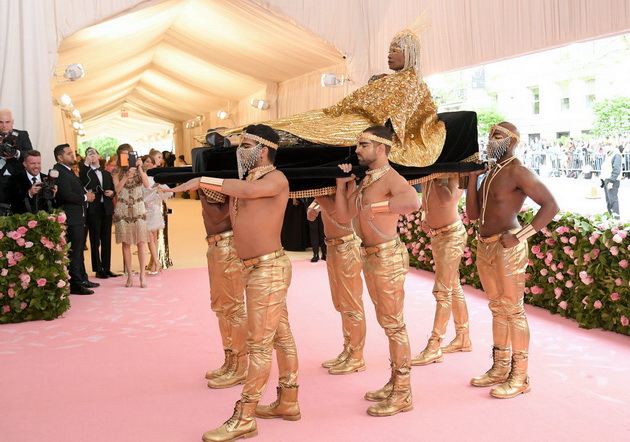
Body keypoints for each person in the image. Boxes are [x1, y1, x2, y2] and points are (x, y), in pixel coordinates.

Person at [165, 124, 300, 441]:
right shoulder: (248, 180)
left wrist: (202, 179)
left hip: (269, 269)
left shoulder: (275, 179)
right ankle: (288, 402)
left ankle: (245, 415)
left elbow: (250, 194)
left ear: (263, 149)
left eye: (246, 145)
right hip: (253, 268)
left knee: (260, 346)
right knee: (281, 337)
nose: (240, 150)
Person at [211, 26, 445, 169]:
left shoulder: (412, 83)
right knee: (303, 121)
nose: (389, 54)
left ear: (411, 54)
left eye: (395, 50)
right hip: (346, 115)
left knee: (310, 133)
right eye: (389, 49)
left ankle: (234, 141)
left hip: (364, 125)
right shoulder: (391, 79)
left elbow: (402, 120)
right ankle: (233, 134)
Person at [465, 122, 559, 399]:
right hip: (485, 246)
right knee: (497, 308)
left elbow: (551, 205)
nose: (490, 140)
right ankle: (500, 367)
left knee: (513, 310)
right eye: (490, 134)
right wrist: (472, 178)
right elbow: (472, 214)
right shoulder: (492, 172)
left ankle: (520, 376)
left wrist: (521, 235)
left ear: (513, 141)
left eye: (497, 136)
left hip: (509, 246)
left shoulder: (519, 171)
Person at [335, 125, 420, 417]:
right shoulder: (367, 180)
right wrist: (342, 185)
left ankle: (403, 392)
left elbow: (413, 201)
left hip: (387, 258)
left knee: (394, 326)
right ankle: (395, 382)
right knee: (388, 324)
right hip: (370, 256)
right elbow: (346, 215)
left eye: (362, 145)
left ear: (380, 149)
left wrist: (380, 208)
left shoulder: (391, 177)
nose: (357, 150)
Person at [411, 175, 471, 366]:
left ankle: (434, 346)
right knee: (452, 286)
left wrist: (435, 176)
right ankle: (463, 337)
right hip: (438, 235)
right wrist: (424, 216)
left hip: (452, 235)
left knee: (442, 291)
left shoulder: (457, 173)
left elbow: (446, 200)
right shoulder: (430, 173)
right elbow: (427, 198)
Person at [307, 195, 366, 375]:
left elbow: (336, 210)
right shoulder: (328, 189)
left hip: (346, 247)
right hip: (333, 246)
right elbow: (317, 211)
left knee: (352, 304)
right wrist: (315, 204)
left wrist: (315, 194)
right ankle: (348, 349)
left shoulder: (346, 185)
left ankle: (357, 356)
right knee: (341, 303)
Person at [198, 191, 247, 390]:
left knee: (233, 309)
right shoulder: (213, 183)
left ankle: (240, 365)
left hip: (227, 246)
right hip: (216, 246)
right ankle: (230, 360)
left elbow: (218, 215)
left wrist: (200, 188)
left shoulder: (227, 185)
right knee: (220, 307)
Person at [53, 144, 99, 295]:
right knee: (74, 251)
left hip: (78, 216)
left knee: (78, 250)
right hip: (71, 217)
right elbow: (66, 195)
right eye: (68, 154)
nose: (73, 156)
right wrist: (86, 197)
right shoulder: (58, 172)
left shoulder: (68, 171)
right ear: (60, 157)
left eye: (72, 153)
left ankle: (82, 278)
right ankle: (75, 284)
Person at [112, 144, 150, 288]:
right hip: (123, 208)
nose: (127, 158)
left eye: (129, 155)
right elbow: (117, 189)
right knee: (126, 243)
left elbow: (146, 185)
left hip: (138, 208)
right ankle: (129, 275)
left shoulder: (141, 169)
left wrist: (139, 168)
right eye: (123, 155)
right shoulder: (116, 171)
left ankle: (142, 275)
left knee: (141, 242)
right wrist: (126, 176)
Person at [79, 148, 118, 279]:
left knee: (106, 239)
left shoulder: (106, 173)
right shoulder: (86, 172)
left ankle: (107, 268)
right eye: (88, 154)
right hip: (93, 209)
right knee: (95, 240)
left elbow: (113, 189)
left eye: (93, 153)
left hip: (106, 208)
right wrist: (86, 163)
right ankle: (98, 268)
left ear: (99, 156)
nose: (91, 156)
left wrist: (112, 193)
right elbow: (82, 176)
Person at [142, 154, 171, 274]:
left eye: (151, 162)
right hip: (144, 210)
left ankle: (155, 263)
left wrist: (157, 194)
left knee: (153, 238)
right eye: (147, 162)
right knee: (150, 238)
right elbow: (143, 195)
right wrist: (154, 190)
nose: (149, 164)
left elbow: (168, 191)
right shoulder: (140, 177)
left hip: (154, 209)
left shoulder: (154, 177)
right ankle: (156, 262)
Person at [0, 109, 33, 206]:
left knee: (19, 207)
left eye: (7, 122)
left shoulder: (22, 135)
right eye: (1, 122)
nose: (4, 125)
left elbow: (30, 154)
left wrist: (16, 153)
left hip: (18, 178)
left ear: (12, 122)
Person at [9, 150, 57, 214]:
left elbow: (56, 204)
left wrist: (54, 194)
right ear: (25, 164)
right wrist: (29, 193)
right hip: (23, 219)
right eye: (33, 163)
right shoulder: (15, 179)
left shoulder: (48, 179)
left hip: (46, 220)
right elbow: (12, 203)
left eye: (38, 163)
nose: (36, 166)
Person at [601, 143, 622, 219]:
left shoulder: (616, 154)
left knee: (613, 201)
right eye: (605, 145)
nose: (606, 147)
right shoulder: (609, 155)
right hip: (607, 180)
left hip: (612, 180)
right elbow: (606, 169)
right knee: (609, 202)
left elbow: (616, 169)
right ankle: (611, 219)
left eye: (608, 145)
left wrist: (611, 181)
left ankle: (616, 220)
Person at [305, 198, 326, 262]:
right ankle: (315, 253)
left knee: (323, 228)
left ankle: (325, 253)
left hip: (323, 199)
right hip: (311, 199)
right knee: (313, 228)